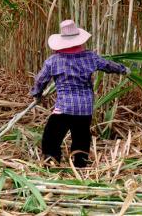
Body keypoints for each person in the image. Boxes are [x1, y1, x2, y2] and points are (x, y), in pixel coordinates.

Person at [30, 19, 129, 167]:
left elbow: (41, 80)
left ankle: (51, 163)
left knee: (51, 137)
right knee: (81, 137)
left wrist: (37, 94)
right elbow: (108, 65)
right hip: (85, 108)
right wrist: (124, 69)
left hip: (64, 107)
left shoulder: (53, 61)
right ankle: (80, 166)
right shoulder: (90, 57)